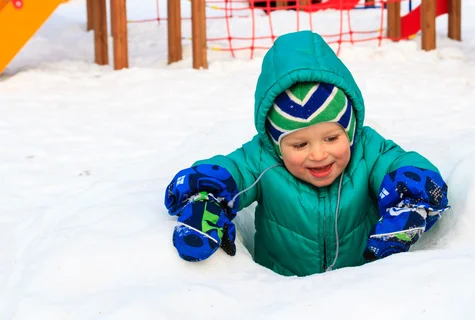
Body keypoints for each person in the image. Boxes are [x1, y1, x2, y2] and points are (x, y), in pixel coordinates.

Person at [163, 30, 450, 277]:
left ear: (349, 132)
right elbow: (230, 170)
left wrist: (413, 196)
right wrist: (206, 198)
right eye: (300, 145)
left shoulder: (365, 150)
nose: (318, 154)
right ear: (277, 145)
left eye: (331, 137)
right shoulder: (263, 159)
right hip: (283, 297)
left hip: (363, 289)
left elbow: (400, 162)